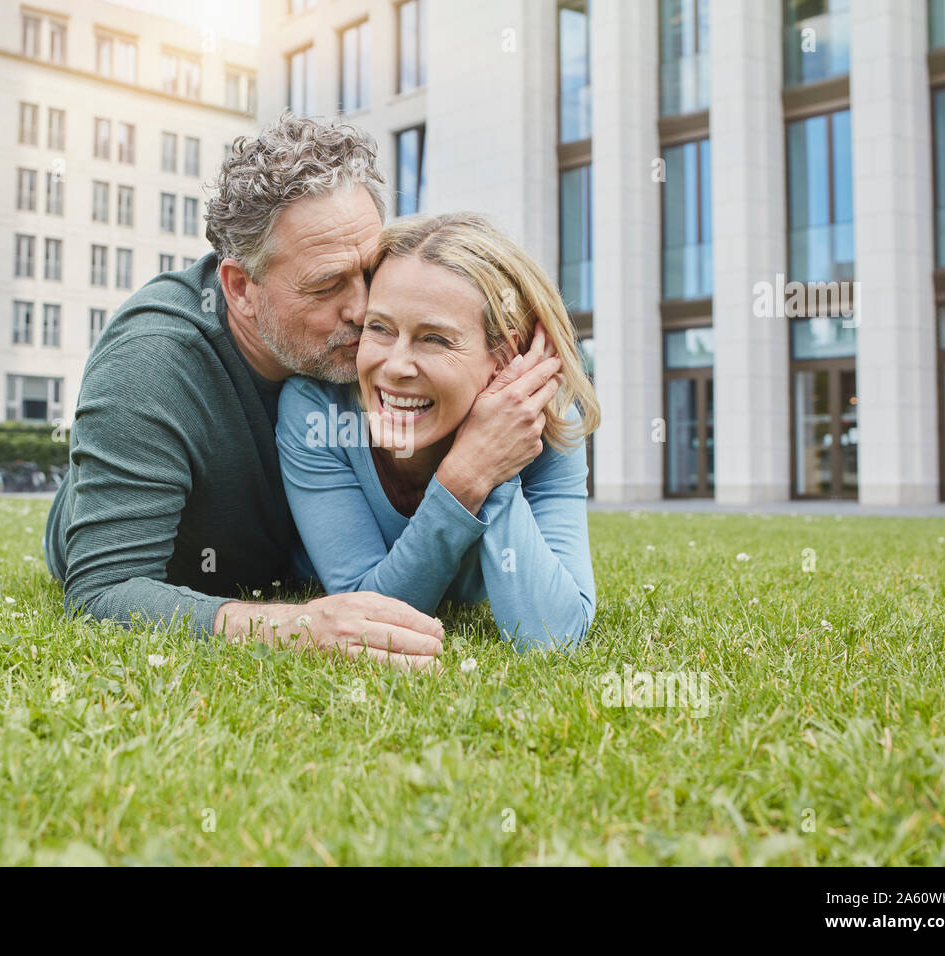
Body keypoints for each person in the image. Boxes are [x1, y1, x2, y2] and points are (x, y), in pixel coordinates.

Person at [43, 114, 560, 671]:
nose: (364, 311)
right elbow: (104, 591)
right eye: (326, 284)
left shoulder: (365, 352)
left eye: (369, 270)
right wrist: (291, 626)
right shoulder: (151, 364)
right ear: (241, 288)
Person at [276, 213, 600, 650]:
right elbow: (368, 616)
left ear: (506, 357)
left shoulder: (549, 424)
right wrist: (465, 478)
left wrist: (496, 464)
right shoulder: (319, 411)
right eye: (379, 328)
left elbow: (553, 637)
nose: (394, 366)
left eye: (435, 339)